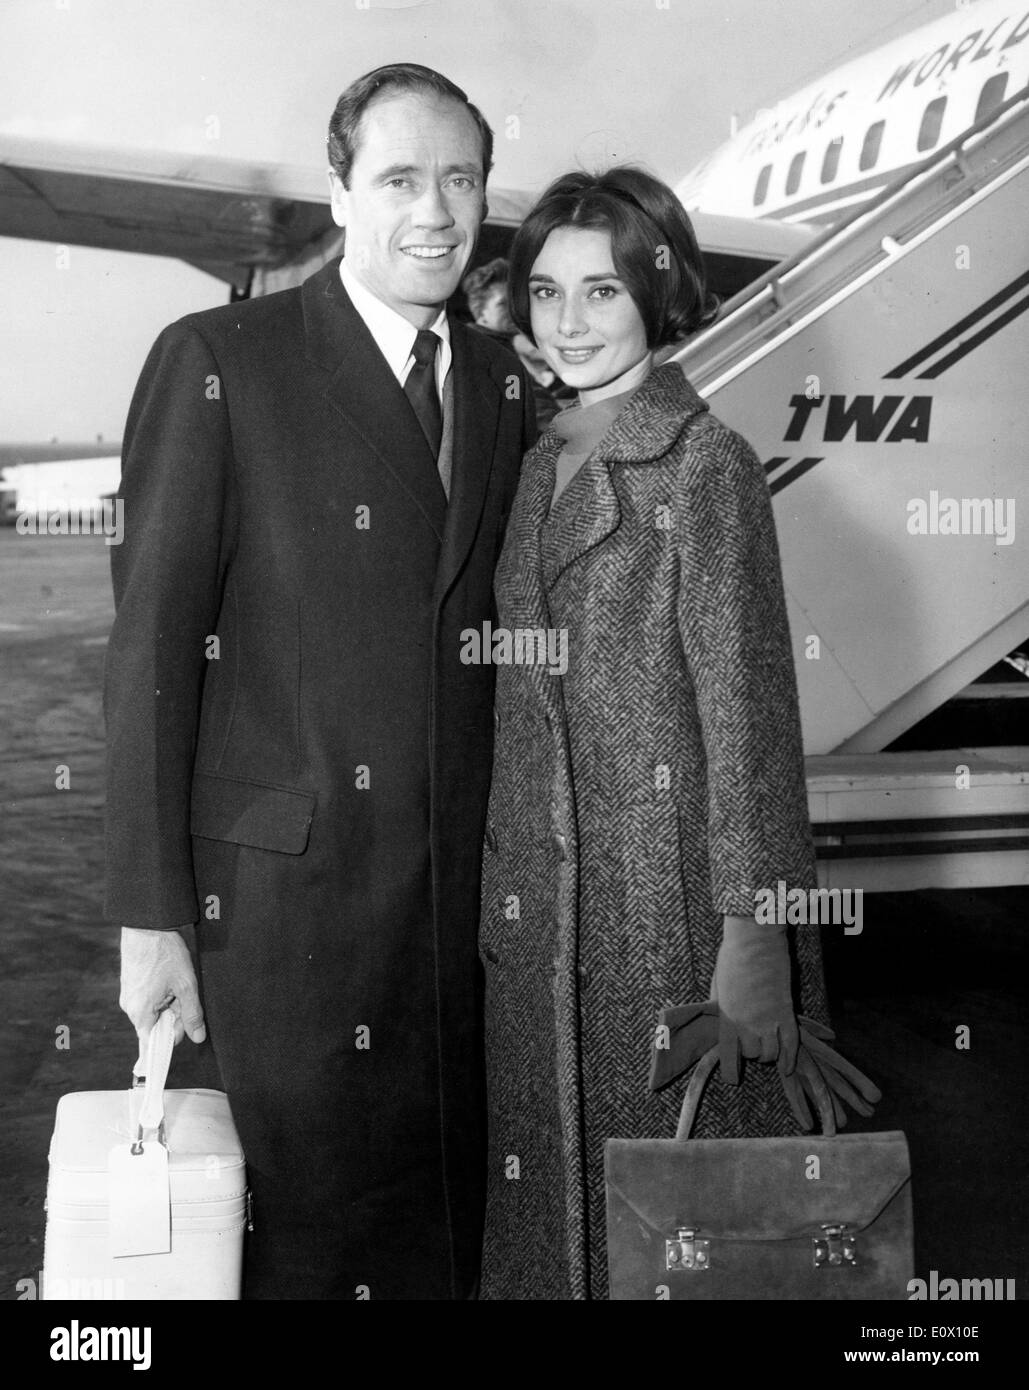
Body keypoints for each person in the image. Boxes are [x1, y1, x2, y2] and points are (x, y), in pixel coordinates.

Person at [106, 62, 534, 1301]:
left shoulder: (501, 387)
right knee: (306, 1242)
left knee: (443, 1233)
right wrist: (152, 915)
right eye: (401, 178)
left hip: (459, 908)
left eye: (461, 179)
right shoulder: (221, 359)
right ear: (339, 194)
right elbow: (151, 651)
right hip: (285, 910)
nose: (436, 211)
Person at [477, 167, 873, 1300]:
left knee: (682, 1244)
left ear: (659, 293)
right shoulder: (539, 461)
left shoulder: (706, 465)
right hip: (542, 927)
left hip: (671, 928)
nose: (569, 321)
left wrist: (756, 939)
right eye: (546, 293)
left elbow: (751, 714)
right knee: (556, 1231)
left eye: (601, 292)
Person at [463, 257, 575, 427]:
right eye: (502, 304)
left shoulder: (493, 345)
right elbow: (520, 403)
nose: (512, 310)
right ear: (481, 313)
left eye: (514, 302)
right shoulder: (488, 351)